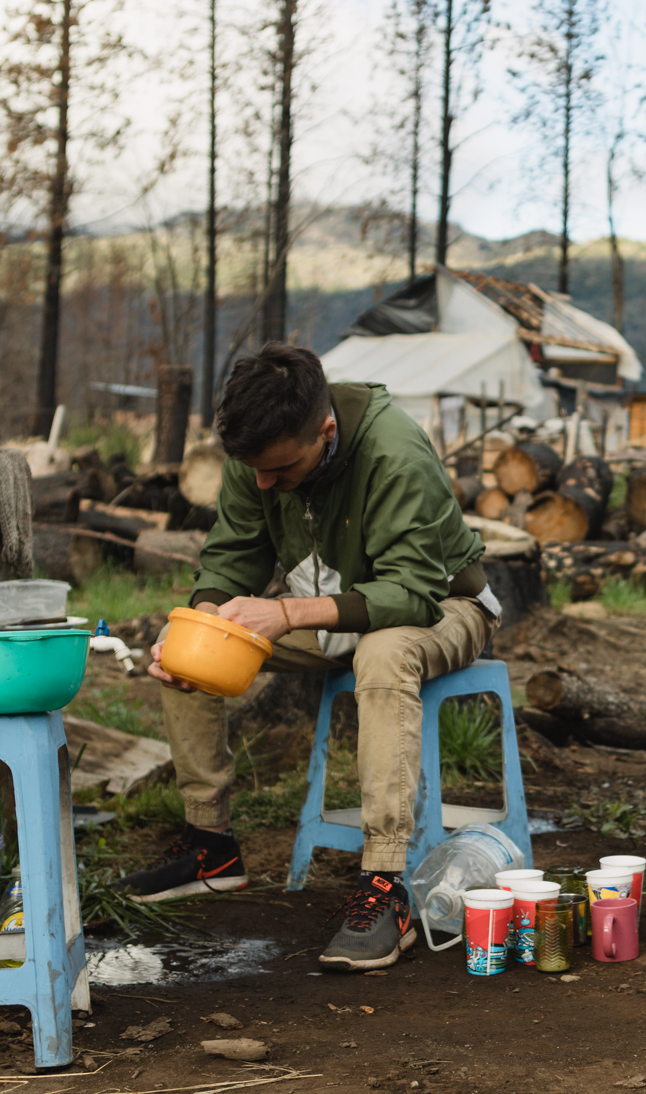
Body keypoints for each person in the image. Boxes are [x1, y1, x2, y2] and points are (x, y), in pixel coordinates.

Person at [117, 343, 497, 973]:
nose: (265, 484)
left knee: (383, 651)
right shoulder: (259, 450)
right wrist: (204, 619)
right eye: (255, 471)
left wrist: (287, 612)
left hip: (443, 606)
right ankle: (211, 846)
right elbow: (234, 555)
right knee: (191, 644)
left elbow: (411, 592)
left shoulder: (394, 452)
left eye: (282, 471)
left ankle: (385, 885)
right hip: (327, 609)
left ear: (326, 431)